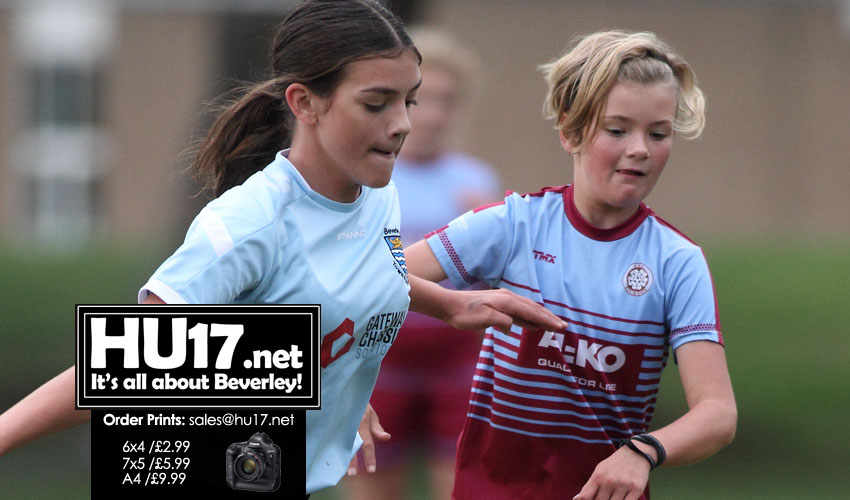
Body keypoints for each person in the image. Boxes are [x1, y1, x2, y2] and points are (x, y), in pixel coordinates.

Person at [0, 1, 566, 496]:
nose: (400, 125)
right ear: (304, 102)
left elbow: (355, 274)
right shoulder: (249, 224)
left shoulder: (376, 196)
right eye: (376, 104)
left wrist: (442, 308)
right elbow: (123, 369)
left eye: (408, 102)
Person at [405, 30, 737, 500]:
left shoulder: (677, 262)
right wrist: (448, 306)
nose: (640, 148)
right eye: (618, 129)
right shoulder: (513, 225)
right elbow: (374, 278)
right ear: (570, 130)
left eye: (658, 133)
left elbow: (718, 414)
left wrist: (643, 451)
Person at [344, 27, 500, 500]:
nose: (432, 114)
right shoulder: (361, 178)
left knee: (462, 489)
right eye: (421, 100)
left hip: (459, 365)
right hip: (376, 363)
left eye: (446, 101)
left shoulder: (475, 180)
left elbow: (498, 279)